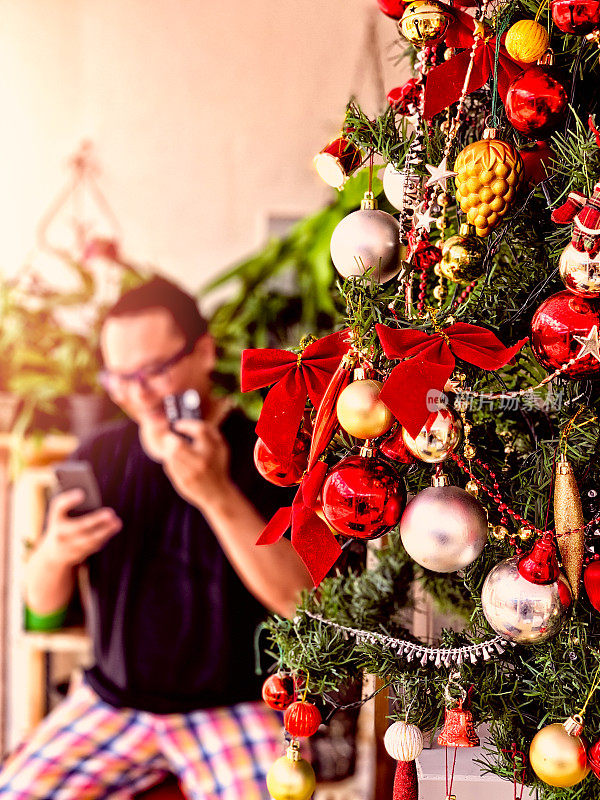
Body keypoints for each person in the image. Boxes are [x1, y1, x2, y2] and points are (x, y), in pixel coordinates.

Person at [0, 276, 313, 799]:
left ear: (203, 352)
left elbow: (301, 601)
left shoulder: (269, 456)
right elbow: (42, 608)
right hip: (111, 700)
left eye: (153, 371)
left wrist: (215, 494)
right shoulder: (97, 455)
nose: (135, 394)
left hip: (234, 702)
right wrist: (55, 554)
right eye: (118, 377)